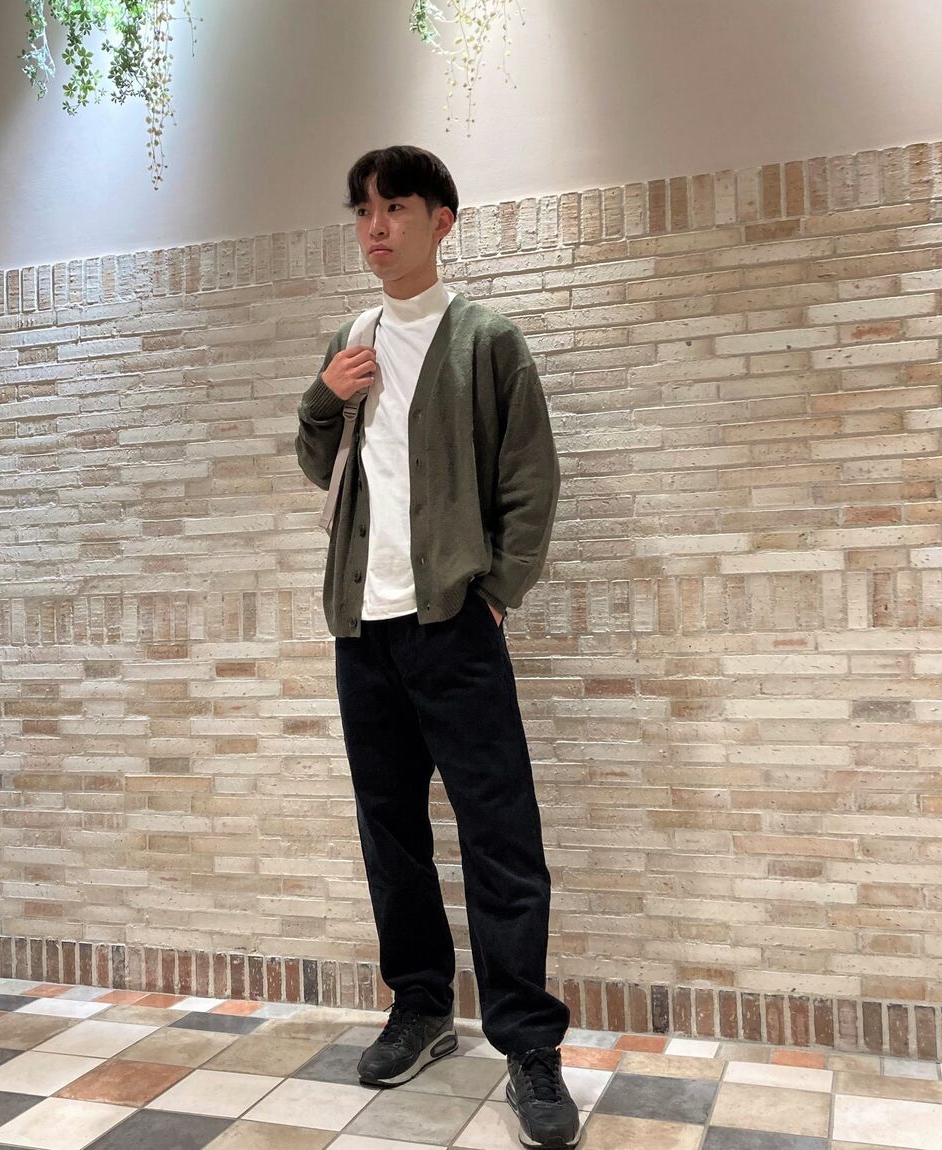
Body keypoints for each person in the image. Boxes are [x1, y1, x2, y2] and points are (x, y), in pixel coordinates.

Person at [295, 145, 579, 1149]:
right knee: (390, 831)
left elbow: (531, 480)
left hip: (453, 625)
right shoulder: (352, 338)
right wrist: (323, 395)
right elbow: (319, 463)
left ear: (441, 221)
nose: (375, 228)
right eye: (362, 211)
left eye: (396, 208)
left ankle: (529, 1047)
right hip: (362, 630)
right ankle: (420, 1005)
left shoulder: (486, 340)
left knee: (500, 836)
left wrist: (495, 595)